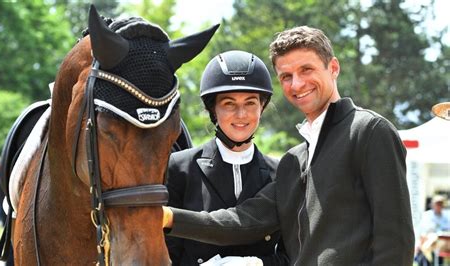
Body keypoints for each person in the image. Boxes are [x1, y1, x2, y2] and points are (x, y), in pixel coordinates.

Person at [163, 26, 415, 265]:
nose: (297, 84)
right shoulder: (296, 160)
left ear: (333, 67)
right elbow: (244, 220)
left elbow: (395, 239)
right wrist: (167, 216)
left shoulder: (369, 131)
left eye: (306, 70)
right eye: (286, 76)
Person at [166, 50, 288, 265]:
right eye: (229, 104)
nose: (241, 114)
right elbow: (166, 254)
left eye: (250, 103)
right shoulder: (179, 169)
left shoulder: (281, 173)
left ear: (262, 106)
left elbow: (292, 255)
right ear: (213, 109)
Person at [415, 194, 450, 265]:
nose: (439, 206)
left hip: (441, 243)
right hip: (428, 240)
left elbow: (447, 230)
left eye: (441, 204)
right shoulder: (427, 215)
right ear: (433, 205)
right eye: (437, 204)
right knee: (430, 239)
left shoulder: (446, 216)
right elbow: (422, 231)